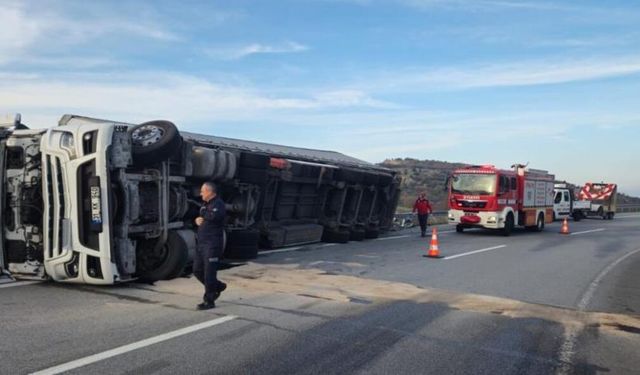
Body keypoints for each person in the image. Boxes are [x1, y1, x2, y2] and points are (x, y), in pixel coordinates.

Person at [194, 182, 227, 310]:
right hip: (202, 243)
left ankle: (209, 300)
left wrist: (203, 216)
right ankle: (217, 286)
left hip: (212, 244)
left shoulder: (218, 204)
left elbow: (215, 216)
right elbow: (203, 216)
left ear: (210, 192)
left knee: (209, 273)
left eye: (202, 191)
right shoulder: (206, 204)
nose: (201, 193)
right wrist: (197, 220)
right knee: (197, 270)